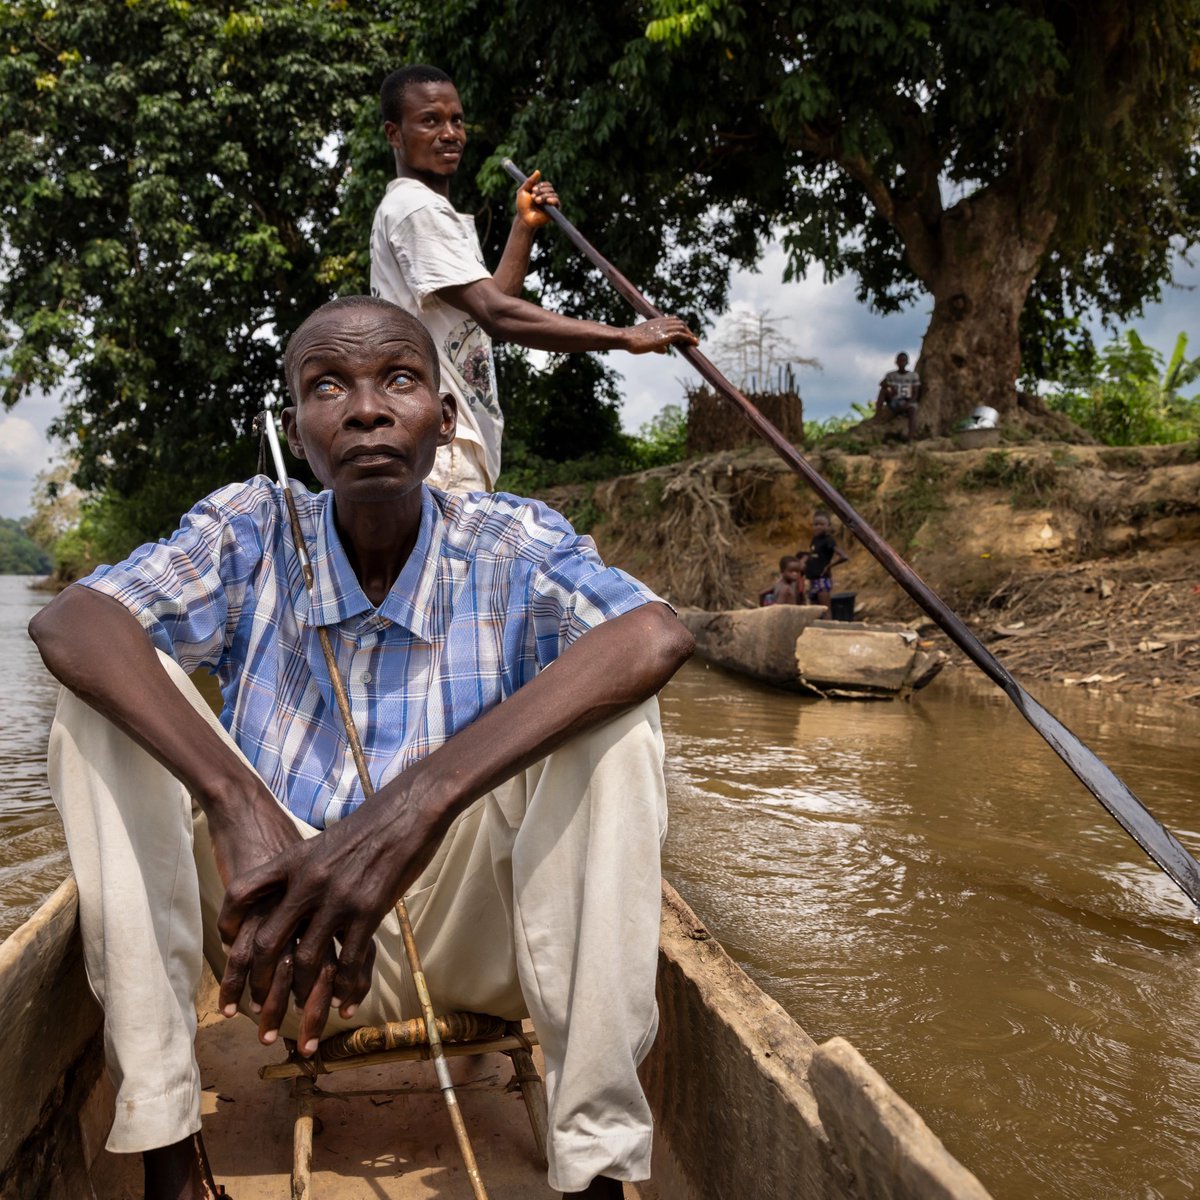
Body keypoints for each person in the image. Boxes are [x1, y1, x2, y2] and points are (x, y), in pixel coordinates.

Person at [29, 296, 694, 1200]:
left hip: (476, 947)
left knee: (616, 722)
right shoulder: (252, 528)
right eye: (329, 386)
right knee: (98, 707)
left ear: (444, 421)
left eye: (401, 380)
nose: (368, 408)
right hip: (275, 948)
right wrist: (239, 801)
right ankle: (168, 1155)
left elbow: (654, 636)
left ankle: (598, 1171)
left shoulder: (508, 539)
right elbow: (73, 620)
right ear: (299, 432)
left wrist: (414, 810)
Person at [370, 63, 698, 493]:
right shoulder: (418, 210)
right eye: (430, 120)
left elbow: (493, 304)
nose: (450, 133)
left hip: (451, 442)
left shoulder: (427, 211)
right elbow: (499, 313)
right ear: (394, 134)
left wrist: (523, 227)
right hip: (443, 451)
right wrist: (625, 336)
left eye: (457, 120)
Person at [798, 510, 848, 610]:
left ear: (828, 526)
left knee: (825, 609)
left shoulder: (828, 540)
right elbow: (814, 554)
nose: (818, 527)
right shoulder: (815, 539)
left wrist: (829, 566)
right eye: (815, 524)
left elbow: (844, 556)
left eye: (821, 524)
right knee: (814, 610)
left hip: (822, 579)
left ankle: (828, 625)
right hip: (812, 579)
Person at [875, 351, 921, 441]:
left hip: (907, 400)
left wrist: (908, 404)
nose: (902, 363)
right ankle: (878, 415)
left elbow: (915, 393)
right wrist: (889, 386)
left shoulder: (913, 376)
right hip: (894, 400)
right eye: (900, 361)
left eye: (904, 361)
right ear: (896, 362)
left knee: (912, 411)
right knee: (883, 391)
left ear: (907, 362)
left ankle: (910, 438)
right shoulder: (891, 375)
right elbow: (881, 384)